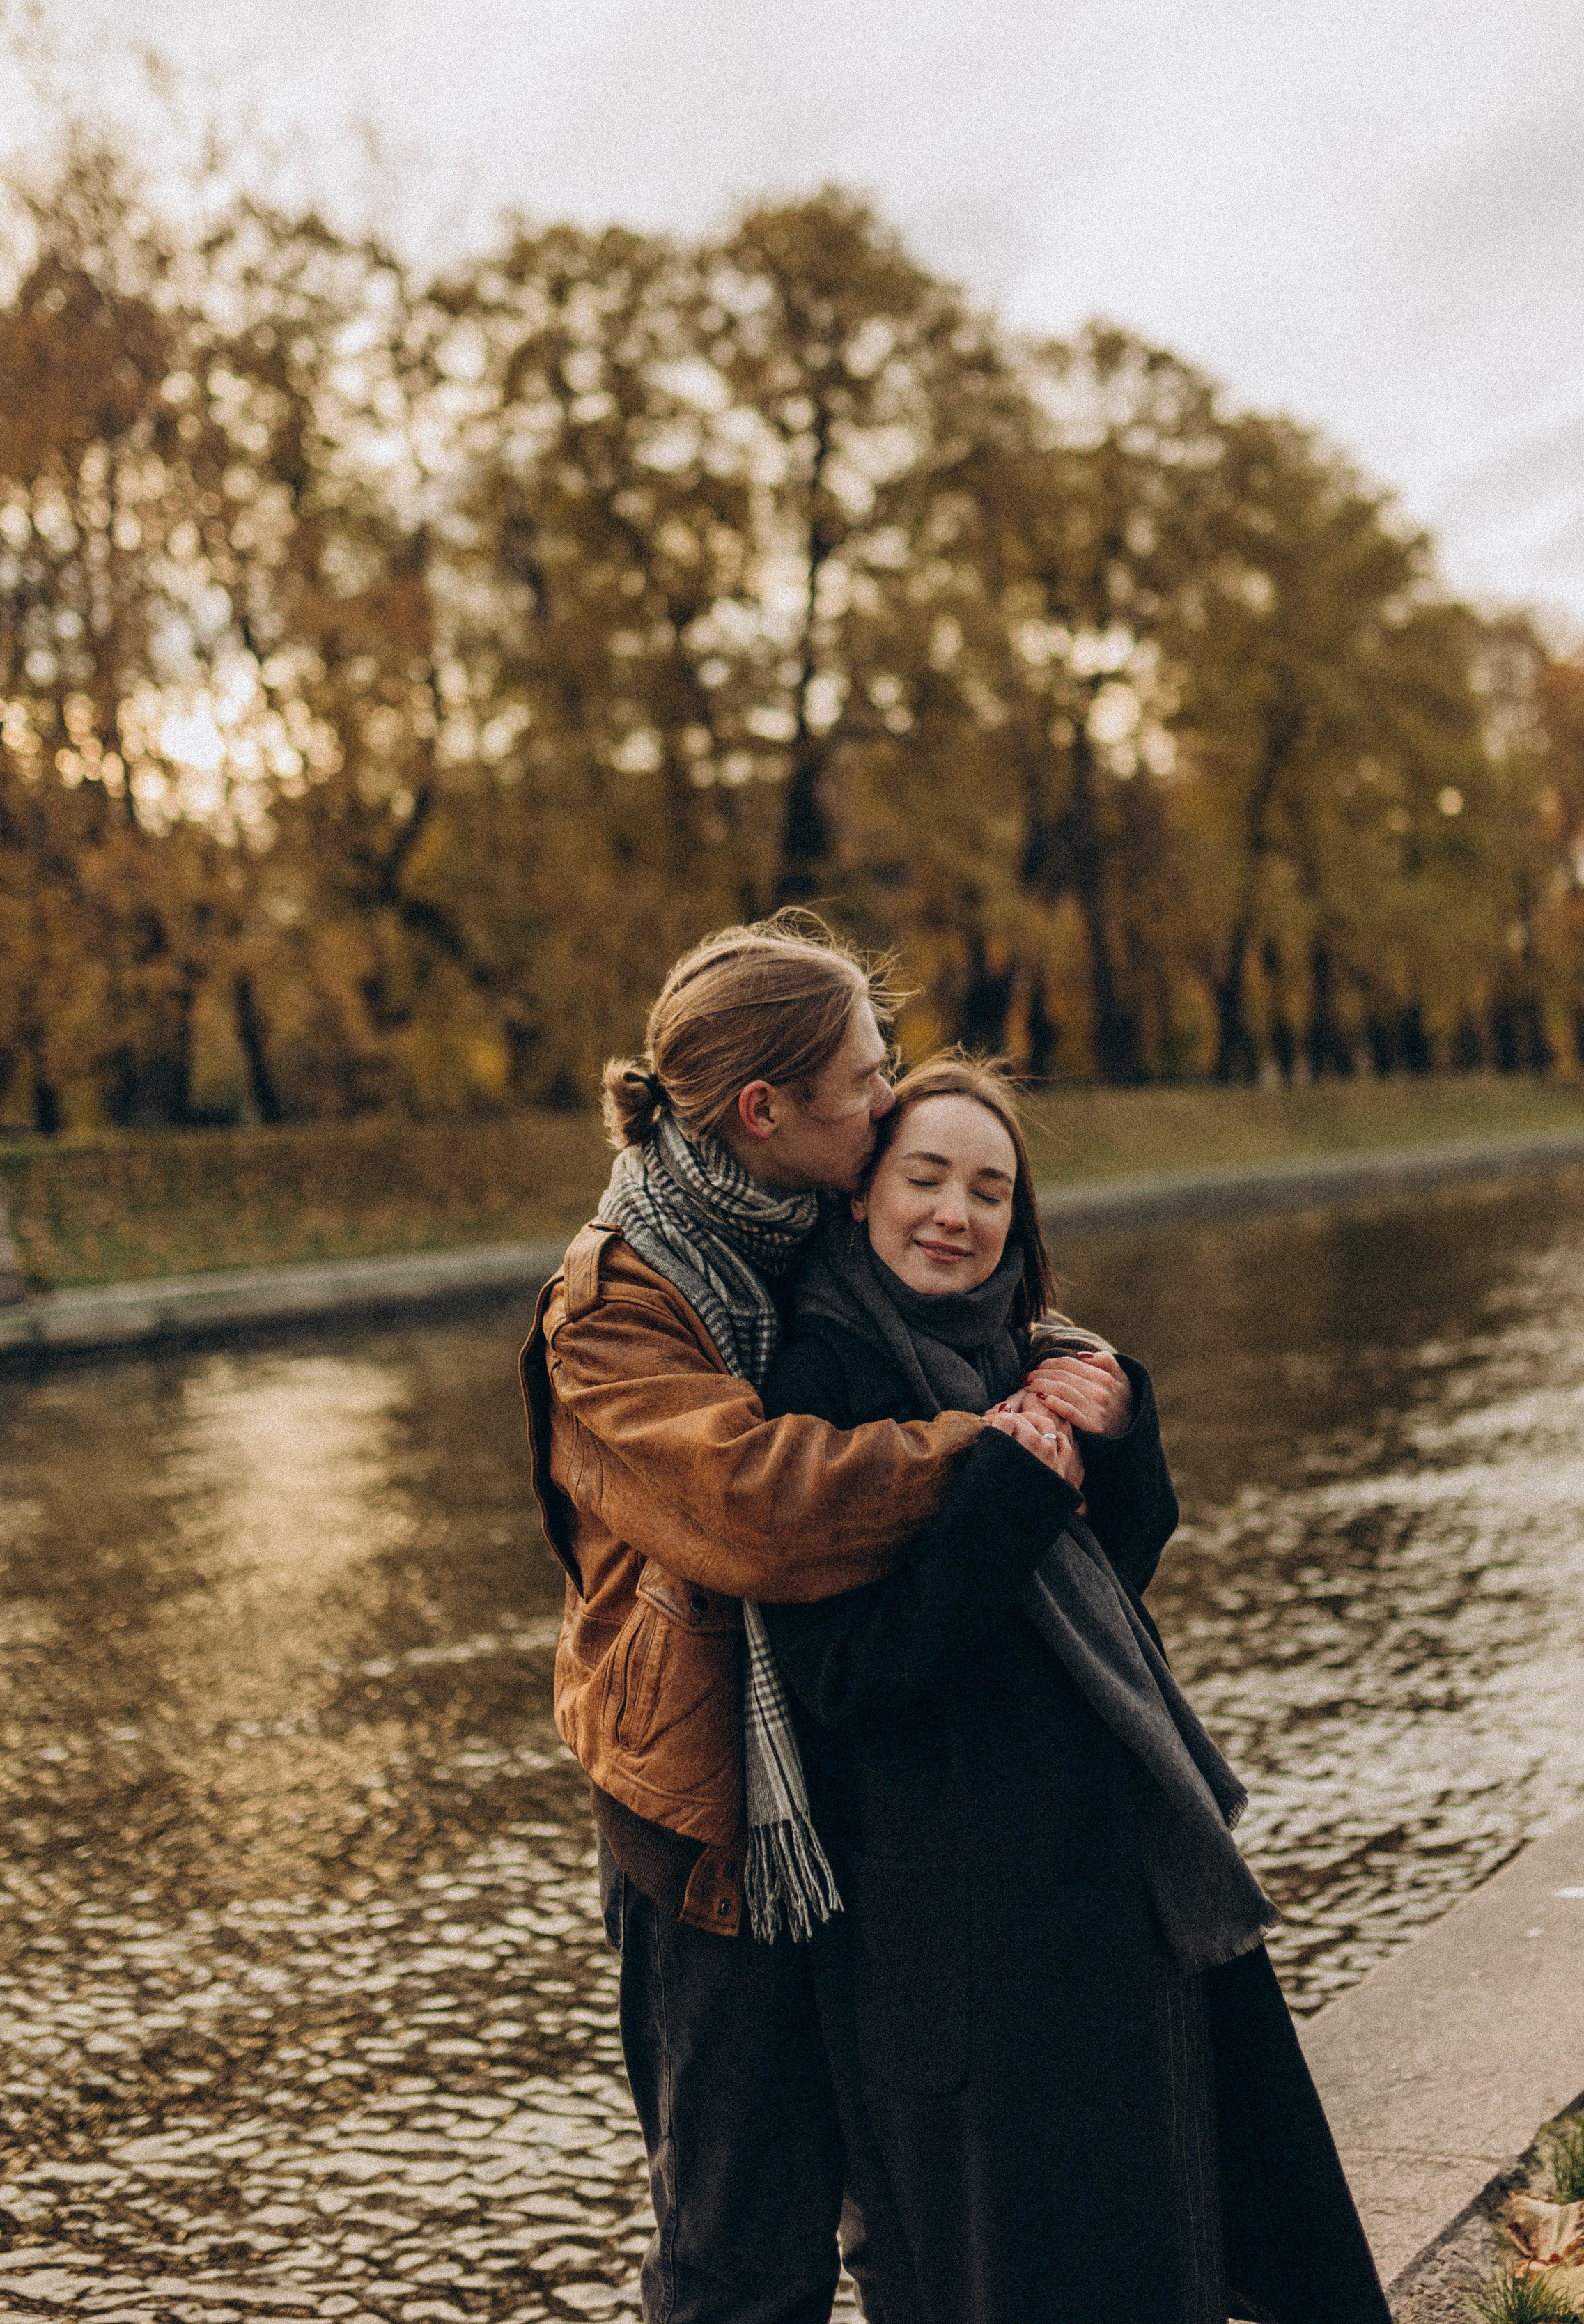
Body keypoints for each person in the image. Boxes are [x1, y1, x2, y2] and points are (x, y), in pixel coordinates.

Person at [759, 1055, 1395, 2324]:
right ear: (863, 1193)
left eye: (990, 1190)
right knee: (1020, 2268)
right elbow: (846, 1677)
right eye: (925, 1178)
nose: (956, 1214)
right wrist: (1009, 1495)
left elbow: (1114, 1581)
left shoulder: (1023, 1348)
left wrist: (1121, 1437)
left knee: (1165, 2240)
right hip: (965, 1917)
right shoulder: (817, 1380)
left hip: (1113, 1877)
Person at [519, 918, 1069, 2324]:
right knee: (740, 2249)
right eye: (867, 1076)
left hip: (859, 1774)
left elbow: (976, 1309)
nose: (891, 1097)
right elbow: (759, 1506)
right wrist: (994, 1448)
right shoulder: (612, 1304)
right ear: (764, 1110)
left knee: (915, 2207)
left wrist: (1071, 1364)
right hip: (711, 1816)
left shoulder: (818, 1211)